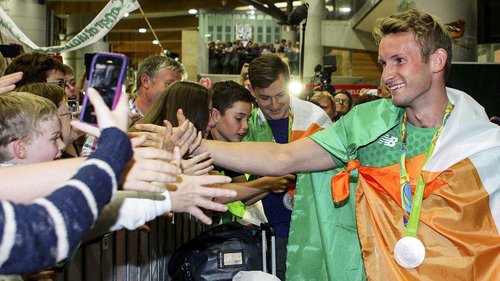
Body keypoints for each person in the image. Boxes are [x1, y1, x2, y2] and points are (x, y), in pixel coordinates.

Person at [193, 9, 500, 280]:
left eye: (399, 61)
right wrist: (196, 145)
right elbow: (281, 157)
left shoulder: (482, 146)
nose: (386, 75)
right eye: (383, 63)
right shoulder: (367, 124)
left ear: (436, 60)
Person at [240, 54, 332, 280]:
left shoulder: (314, 119)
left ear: (289, 82)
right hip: (259, 230)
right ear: (251, 90)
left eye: (280, 95)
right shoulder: (244, 124)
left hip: (309, 230)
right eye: (264, 98)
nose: (273, 105)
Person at [81, 55, 186, 156]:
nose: (175, 92)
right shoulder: (112, 116)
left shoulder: (173, 121)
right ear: (145, 81)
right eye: (169, 84)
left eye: (178, 87)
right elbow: (87, 161)